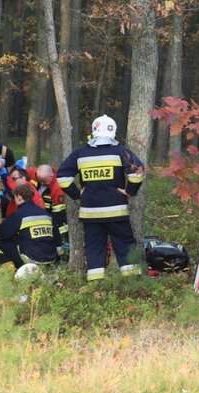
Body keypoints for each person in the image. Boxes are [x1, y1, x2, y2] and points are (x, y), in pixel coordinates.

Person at [56, 115, 145, 281]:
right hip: (116, 210)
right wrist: (130, 191)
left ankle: (96, 285)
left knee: (94, 247)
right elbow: (138, 171)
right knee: (124, 245)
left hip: (90, 212)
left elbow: (62, 177)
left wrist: (77, 194)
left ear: (94, 130)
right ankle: (132, 283)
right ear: (113, 131)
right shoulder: (121, 151)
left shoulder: (80, 154)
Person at [0, 184, 60, 268]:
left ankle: (9, 269)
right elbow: (57, 239)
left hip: (31, 260)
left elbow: (1, 233)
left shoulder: (19, 215)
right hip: (51, 258)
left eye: (14, 197)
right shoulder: (46, 214)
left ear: (19, 197)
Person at [34, 164, 69, 244]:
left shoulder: (57, 189)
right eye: (40, 180)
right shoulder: (36, 176)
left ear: (51, 176)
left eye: (44, 181)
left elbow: (59, 213)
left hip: (52, 218)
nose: (42, 183)